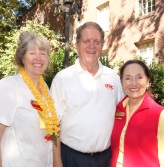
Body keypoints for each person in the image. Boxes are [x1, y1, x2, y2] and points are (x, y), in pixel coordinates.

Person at [50, 22, 124, 167]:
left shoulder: (113, 78)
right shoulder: (62, 79)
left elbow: (123, 115)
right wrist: (57, 162)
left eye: (97, 42)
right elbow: (53, 126)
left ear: (102, 46)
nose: (92, 46)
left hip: (105, 159)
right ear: (77, 46)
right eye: (86, 41)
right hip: (71, 158)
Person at [0, 31, 60, 167]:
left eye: (43, 53)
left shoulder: (45, 89)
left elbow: (53, 132)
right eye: (32, 53)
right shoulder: (9, 86)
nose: (38, 58)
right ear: (22, 57)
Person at [110, 60, 164, 167]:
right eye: (128, 78)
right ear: (121, 83)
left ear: (148, 81)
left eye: (139, 77)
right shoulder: (117, 110)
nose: (133, 83)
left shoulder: (160, 115)